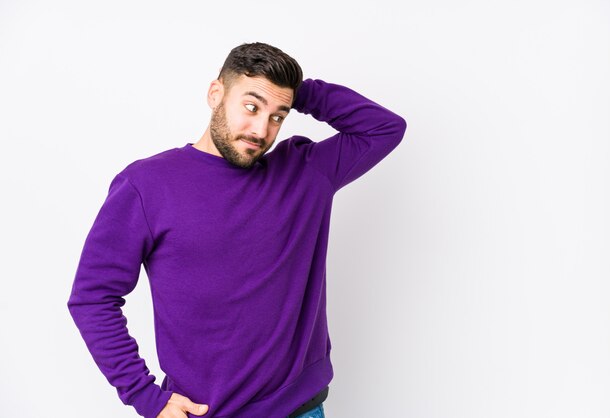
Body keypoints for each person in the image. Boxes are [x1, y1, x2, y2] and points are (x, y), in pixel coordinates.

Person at [67, 42, 406, 418]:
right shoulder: (147, 185)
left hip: (299, 410)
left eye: (278, 115)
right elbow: (93, 297)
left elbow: (384, 128)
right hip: (205, 412)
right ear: (216, 94)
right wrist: (145, 396)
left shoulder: (305, 173)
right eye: (251, 106)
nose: (262, 129)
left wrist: (296, 90)